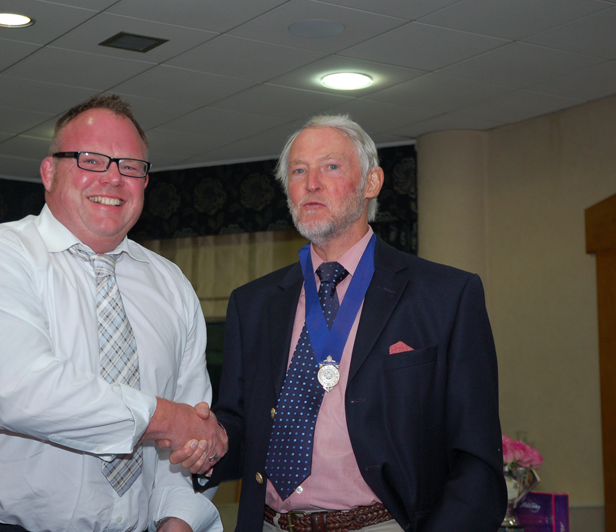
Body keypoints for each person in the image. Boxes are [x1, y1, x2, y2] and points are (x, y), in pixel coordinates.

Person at [189, 114, 507, 531]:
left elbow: (476, 459)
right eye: (298, 171)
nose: (311, 183)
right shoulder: (253, 304)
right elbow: (241, 428)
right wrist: (209, 443)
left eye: (331, 166)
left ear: (371, 182)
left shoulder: (445, 295)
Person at [0, 94, 226, 532]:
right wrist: (164, 418)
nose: (113, 178)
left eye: (130, 166)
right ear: (49, 173)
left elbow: (189, 439)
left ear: (145, 182)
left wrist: (178, 520)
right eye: (91, 160)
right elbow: (19, 392)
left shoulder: (171, 285)